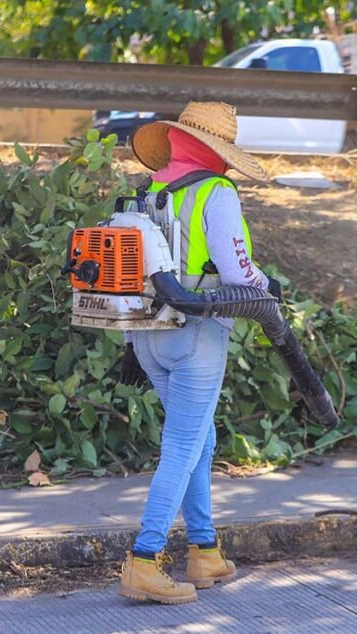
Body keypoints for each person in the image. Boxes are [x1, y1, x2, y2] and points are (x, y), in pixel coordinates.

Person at [117, 101, 277, 605]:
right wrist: (269, 286)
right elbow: (237, 272)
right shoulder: (216, 191)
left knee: (200, 440)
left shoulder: (146, 194)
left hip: (145, 335)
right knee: (184, 446)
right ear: (218, 151)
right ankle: (144, 560)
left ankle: (204, 550)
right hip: (196, 335)